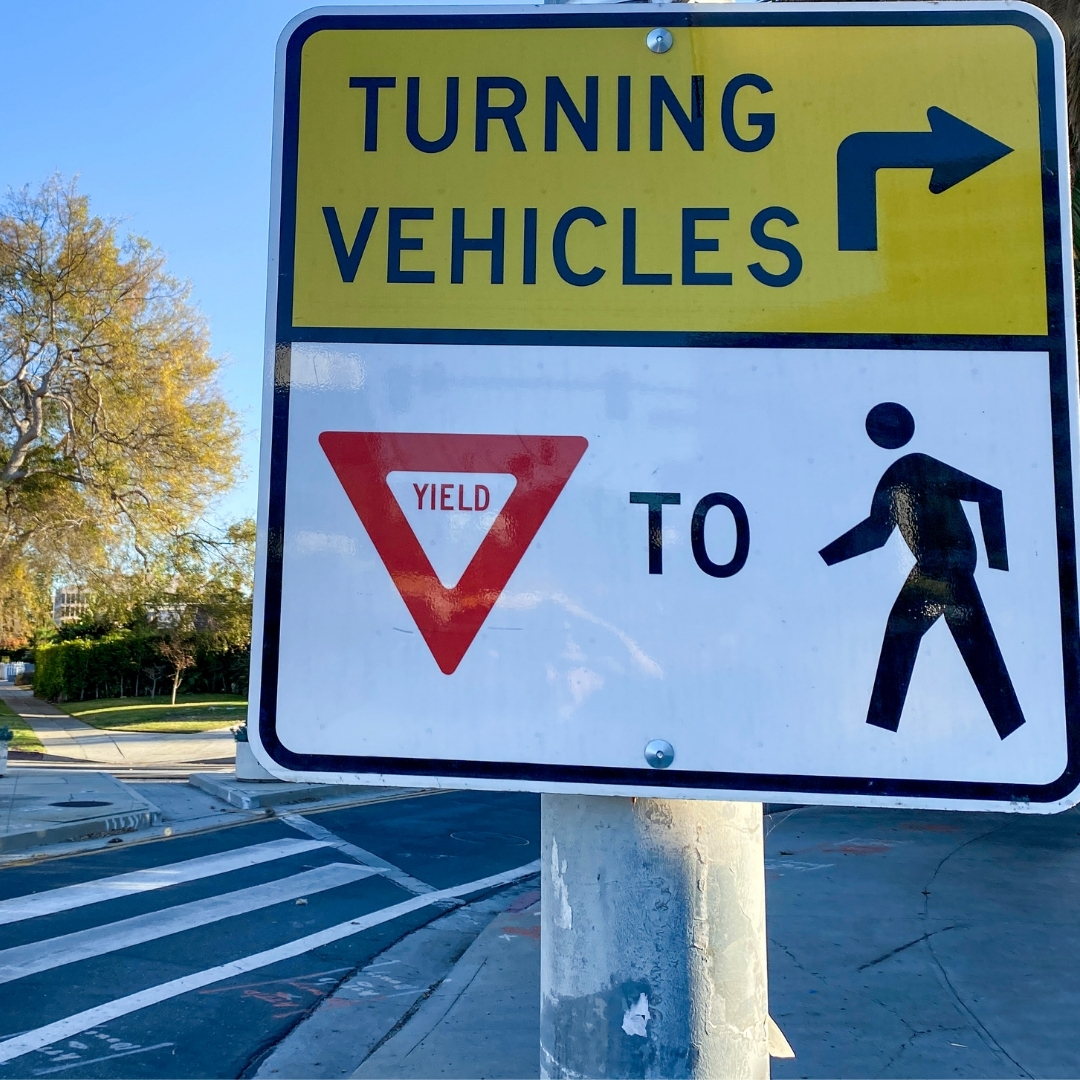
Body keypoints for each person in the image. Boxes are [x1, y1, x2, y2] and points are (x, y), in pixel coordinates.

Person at [820, 402, 1025, 738]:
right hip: (933, 567)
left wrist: (999, 562)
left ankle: (881, 732)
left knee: (946, 641)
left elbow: (988, 496)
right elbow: (876, 532)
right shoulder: (894, 477)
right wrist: (825, 558)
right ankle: (880, 735)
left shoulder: (919, 465)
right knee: (951, 642)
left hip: (950, 564)